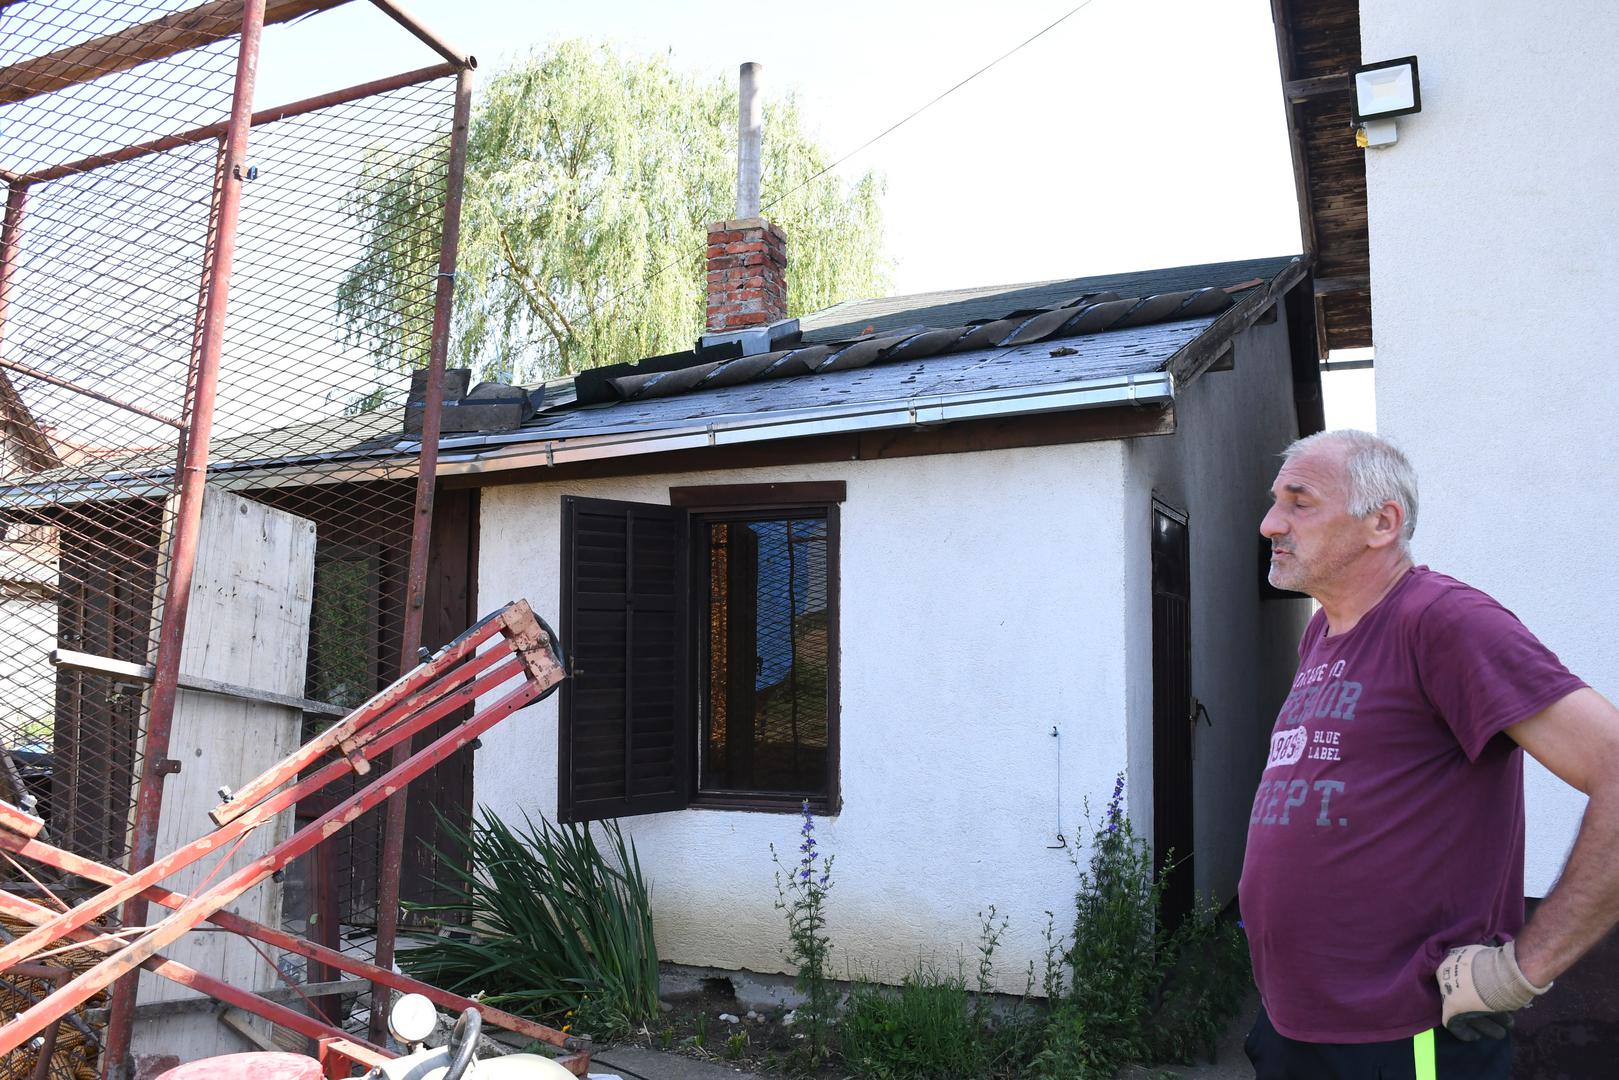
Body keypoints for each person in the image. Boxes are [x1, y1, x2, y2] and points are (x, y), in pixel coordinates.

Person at [1237, 429, 1619, 1080]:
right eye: (1275, 501)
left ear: (1380, 523)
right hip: (1292, 1025)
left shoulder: (1441, 621)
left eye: (1299, 502)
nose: (1270, 522)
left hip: (1404, 1039)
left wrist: (1524, 970)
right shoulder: (1321, 636)